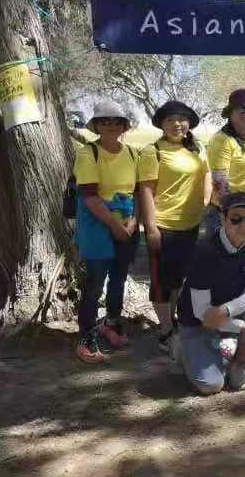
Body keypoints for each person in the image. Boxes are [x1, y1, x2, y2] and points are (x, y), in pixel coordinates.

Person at [176, 192, 245, 394]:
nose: (243, 226)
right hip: (197, 322)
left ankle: (236, 366)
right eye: (235, 218)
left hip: (225, 312)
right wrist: (243, 327)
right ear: (222, 218)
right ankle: (182, 348)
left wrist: (229, 311)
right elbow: (204, 315)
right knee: (211, 386)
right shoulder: (205, 251)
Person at [139, 101, 212, 352]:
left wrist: (204, 201)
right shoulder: (153, 151)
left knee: (179, 279)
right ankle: (165, 331)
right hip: (163, 225)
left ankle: (173, 321)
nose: (176, 124)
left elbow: (207, 175)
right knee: (161, 281)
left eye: (181, 119)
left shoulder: (197, 148)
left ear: (189, 123)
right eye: (170, 120)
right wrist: (150, 228)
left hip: (190, 225)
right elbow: (146, 190)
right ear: (161, 124)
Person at [73, 100, 140, 363]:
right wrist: (116, 226)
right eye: (104, 121)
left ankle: (111, 323)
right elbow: (90, 197)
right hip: (97, 225)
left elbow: (136, 192)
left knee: (119, 279)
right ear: (97, 125)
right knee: (95, 283)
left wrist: (133, 224)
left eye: (116, 121)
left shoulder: (134, 153)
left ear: (124, 125)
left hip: (127, 225)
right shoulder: (88, 153)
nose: (110, 126)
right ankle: (87, 335)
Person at [204, 89, 245, 235]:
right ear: (231, 112)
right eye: (242, 109)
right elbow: (220, 184)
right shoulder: (222, 140)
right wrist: (234, 217)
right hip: (229, 215)